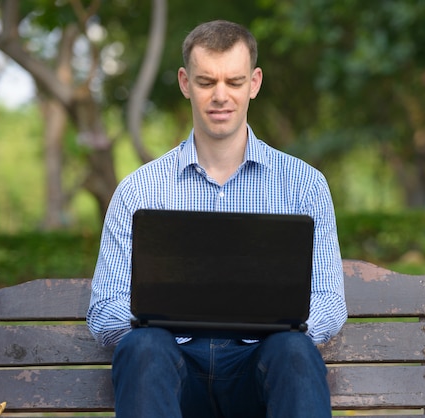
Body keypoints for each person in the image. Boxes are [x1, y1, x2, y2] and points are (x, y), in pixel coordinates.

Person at [87, 19, 347, 418]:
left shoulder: (304, 185)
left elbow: (330, 300)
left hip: (259, 371)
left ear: (255, 83)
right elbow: (104, 309)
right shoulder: (139, 190)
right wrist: (160, 314)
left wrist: (274, 320)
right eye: (207, 82)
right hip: (173, 374)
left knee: (293, 348)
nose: (221, 96)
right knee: (143, 347)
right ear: (185, 82)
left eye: (235, 81)